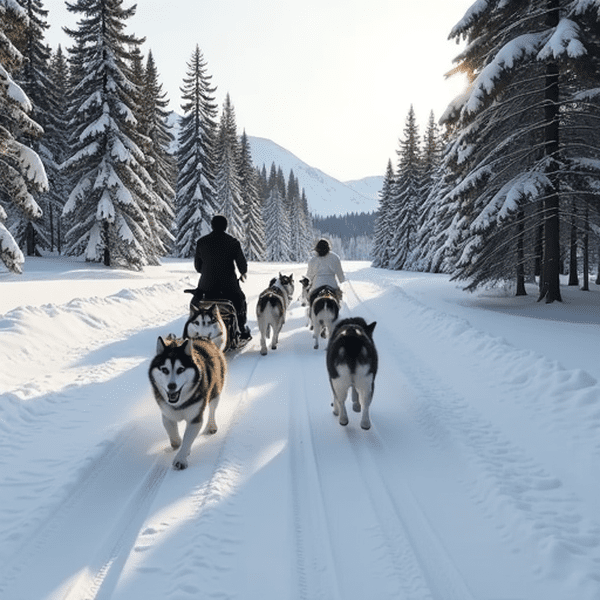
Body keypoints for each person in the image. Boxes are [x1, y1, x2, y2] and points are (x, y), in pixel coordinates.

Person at [194, 215, 251, 339]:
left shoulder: (201, 242)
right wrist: (242, 273)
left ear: (212, 225)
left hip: (206, 288)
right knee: (240, 300)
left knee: (196, 303)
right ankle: (241, 328)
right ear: (226, 227)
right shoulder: (233, 242)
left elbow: (198, 268)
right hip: (228, 287)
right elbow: (243, 266)